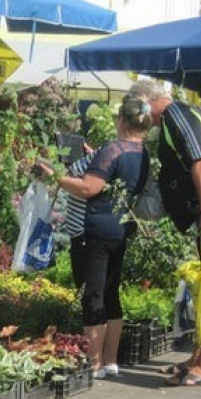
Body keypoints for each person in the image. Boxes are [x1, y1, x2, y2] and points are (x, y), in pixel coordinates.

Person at [43, 94, 152, 379]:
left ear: (121, 120)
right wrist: (95, 158)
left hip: (96, 229)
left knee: (93, 294)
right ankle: (111, 361)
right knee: (111, 293)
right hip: (121, 228)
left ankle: (92, 364)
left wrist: (53, 175)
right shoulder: (143, 152)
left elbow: (89, 188)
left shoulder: (113, 149)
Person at [132, 79, 201, 387]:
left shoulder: (175, 117)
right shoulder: (181, 116)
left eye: (140, 107)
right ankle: (199, 358)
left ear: (148, 101)